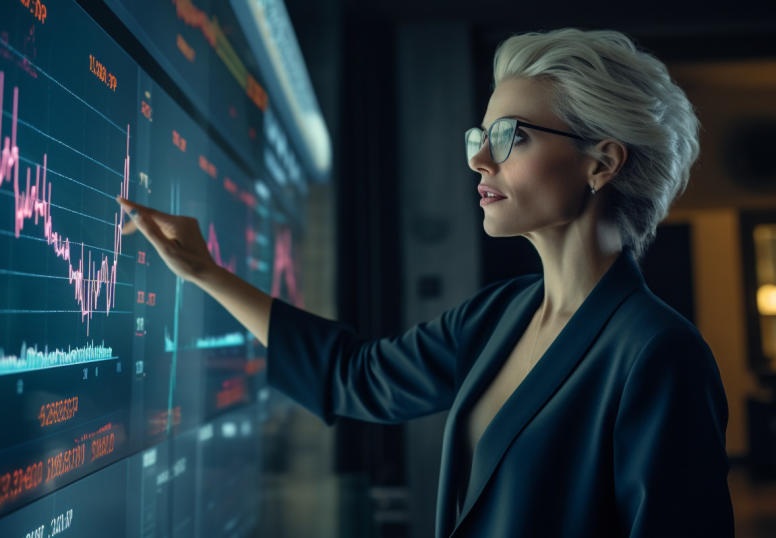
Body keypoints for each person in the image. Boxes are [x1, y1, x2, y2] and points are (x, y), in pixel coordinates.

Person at [117, 27, 734, 538]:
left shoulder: (658, 355)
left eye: (508, 136)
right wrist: (204, 272)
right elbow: (353, 377)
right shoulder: (498, 317)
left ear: (600, 163)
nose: (478, 159)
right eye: (480, 135)